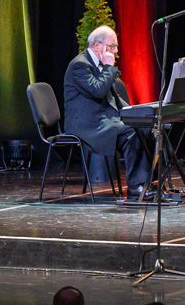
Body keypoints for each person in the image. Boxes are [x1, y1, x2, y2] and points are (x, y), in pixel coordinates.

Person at [63, 25, 152, 197]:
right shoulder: (79, 65)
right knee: (132, 132)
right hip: (86, 124)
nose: (116, 51)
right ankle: (136, 187)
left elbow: (112, 98)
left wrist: (136, 113)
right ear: (97, 45)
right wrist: (109, 68)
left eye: (116, 47)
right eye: (112, 46)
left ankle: (150, 183)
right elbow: (98, 90)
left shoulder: (98, 65)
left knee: (146, 128)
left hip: (103, 120)